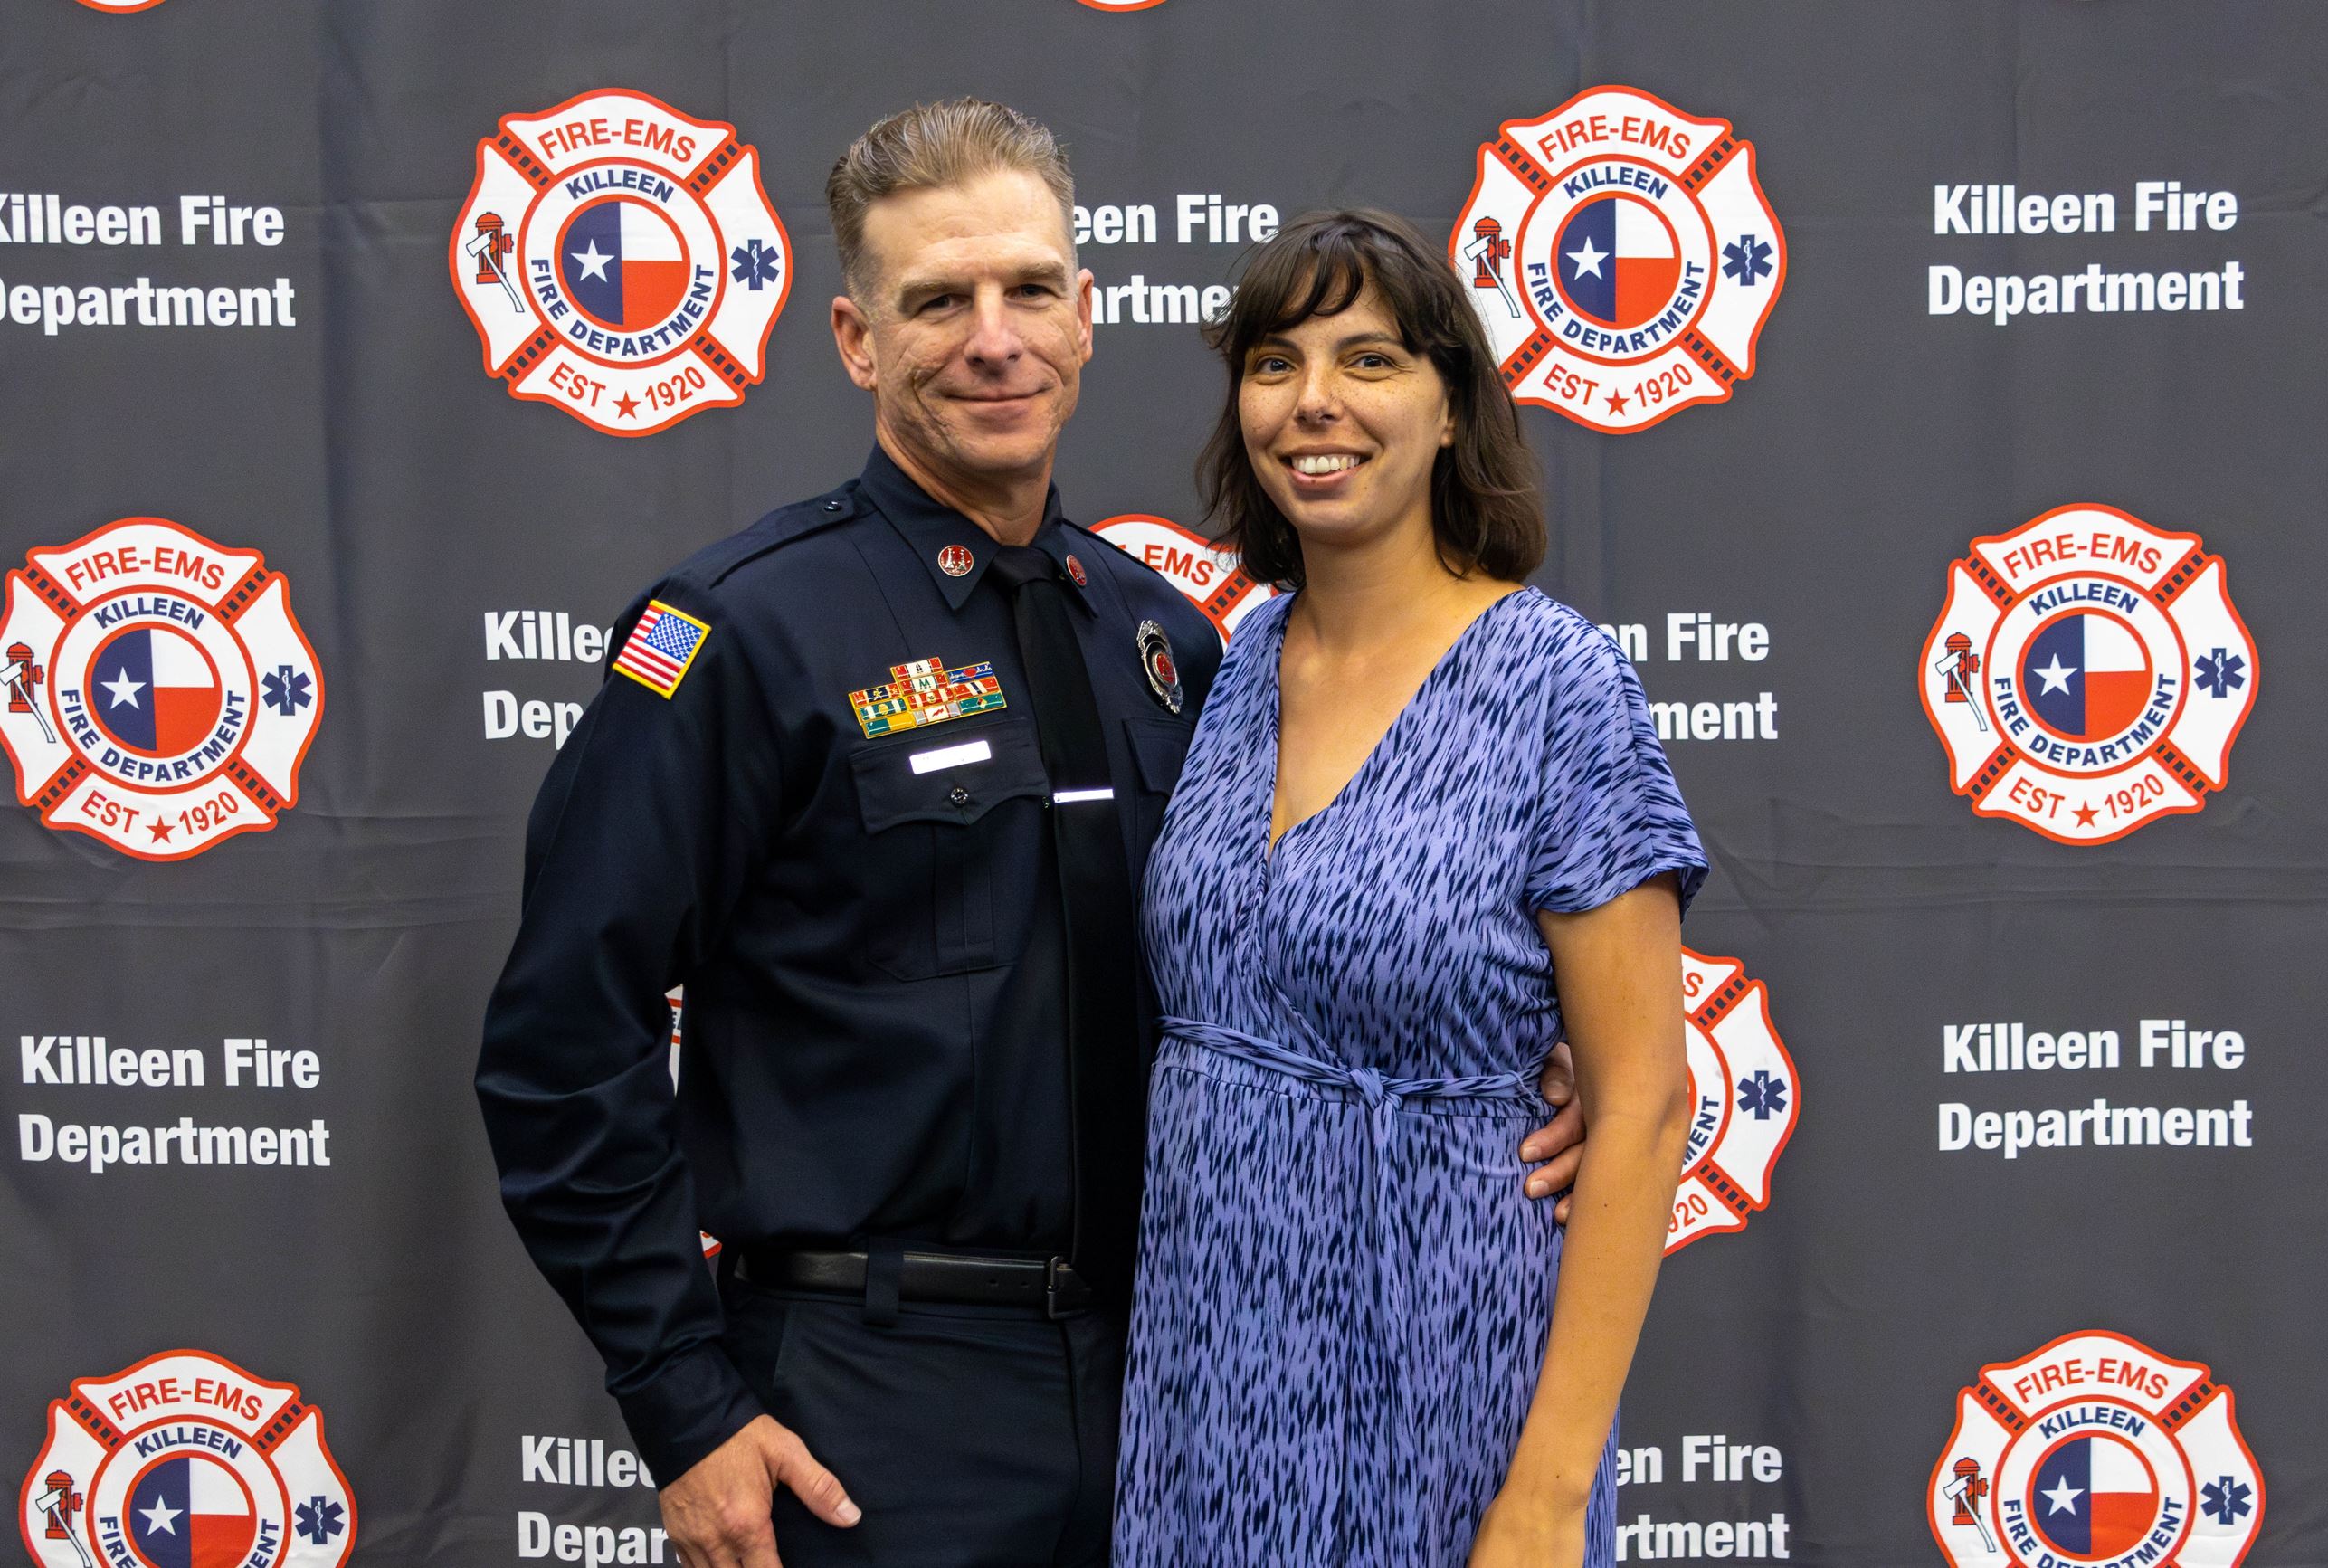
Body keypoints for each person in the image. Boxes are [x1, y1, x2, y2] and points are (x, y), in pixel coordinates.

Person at [477, 105, 1590, 1568]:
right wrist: (684, 1403)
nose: (994, 339)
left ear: (1086, 318)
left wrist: (1512, 1053)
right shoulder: (742, 633)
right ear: (857, 339)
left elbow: (1258, 944)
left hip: (1174, 1393)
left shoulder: (1169, 642)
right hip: (866, 1409)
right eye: (939, 300)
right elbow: (560, 1040)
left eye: (1029, 289)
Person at [1112, 211, 1706, 1568]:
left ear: (1450, 410)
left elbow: (1642, 1103)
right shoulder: (1231, 667)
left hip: (1447, 1372)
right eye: (1275, 362)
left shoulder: (1559, 684)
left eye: (1368, 359)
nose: (1313, 401)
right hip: (1206, 1373)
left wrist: (1548, 1494)